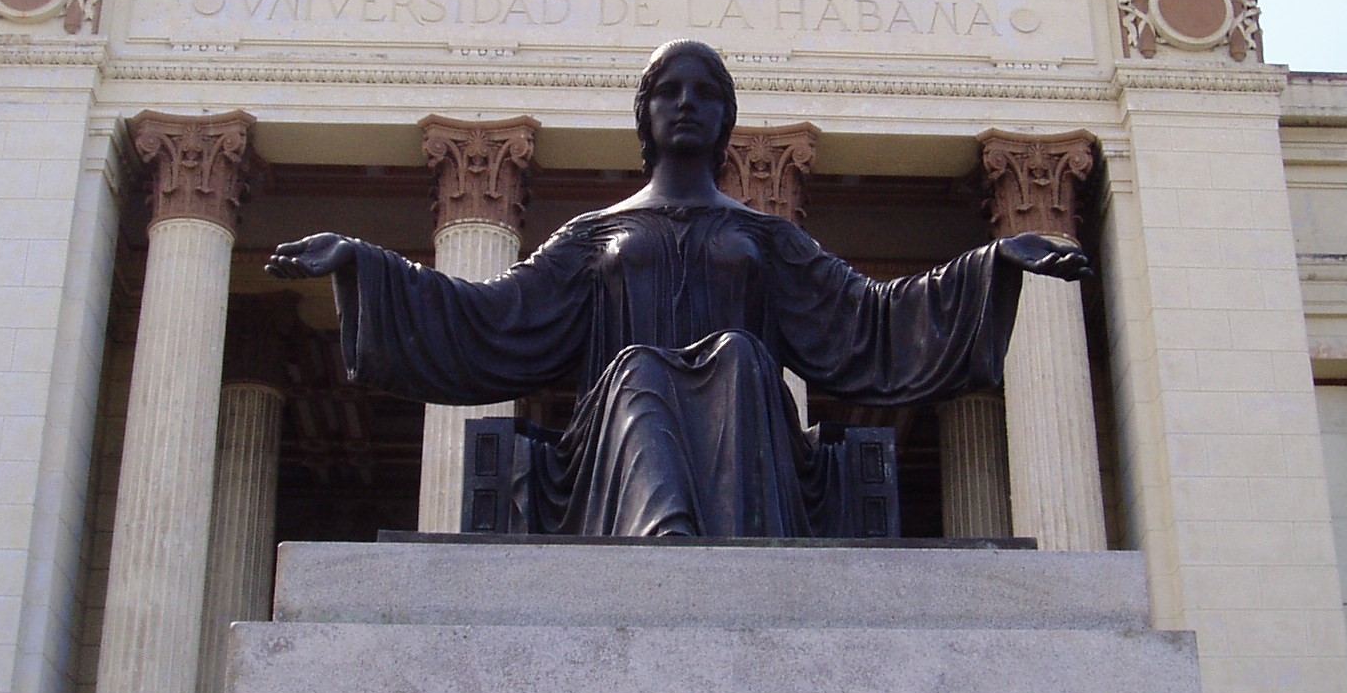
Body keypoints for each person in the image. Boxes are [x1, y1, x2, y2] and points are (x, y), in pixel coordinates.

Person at [268, 38, 1092, 537]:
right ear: (646, 115)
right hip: (609, 458)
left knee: (734, 354)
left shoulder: (769, 237)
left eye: (705, 94)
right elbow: (491, 316)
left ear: (726, 118)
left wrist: (991, 265)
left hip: (758, 453)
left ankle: (706, 549)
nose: (688, 104)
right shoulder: (594, 238)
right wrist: (363, 264)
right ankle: (663, 540)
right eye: (670, 92)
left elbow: (868, 321)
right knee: (638, 369)